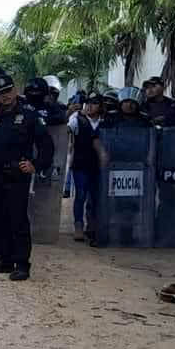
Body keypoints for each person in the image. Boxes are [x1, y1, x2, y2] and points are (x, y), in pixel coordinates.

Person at [0, 73, 54, 281]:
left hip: (16, 176)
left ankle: (22, 264)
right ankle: (4, 260)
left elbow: (46, 145)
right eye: (0, 93)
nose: (5, 96)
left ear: (15, 90)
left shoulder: (28, 115)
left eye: (8, 91)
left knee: (17, 220)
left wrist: (36, 165)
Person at [68, 93, 110, 246]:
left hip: (97, 166)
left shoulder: (105, 121)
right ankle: (78, 226)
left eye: (94, 103)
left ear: (100, 106)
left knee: (96, 196)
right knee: (80, 195)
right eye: (88, 103)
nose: (90, 106)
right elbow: (67, 130)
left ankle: (92, 226)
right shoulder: (77, 118)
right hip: (80, 163)